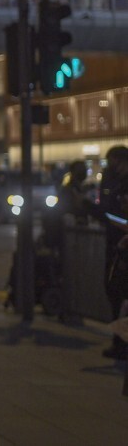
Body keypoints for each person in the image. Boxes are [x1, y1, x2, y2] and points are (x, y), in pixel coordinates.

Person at [98, 145, 128, 359]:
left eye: (114, 163)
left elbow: (117, 217)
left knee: (119, 294)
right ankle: (119, 342)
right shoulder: (114, 182)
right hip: (118, 244)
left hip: (123, 246)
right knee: (116, 294)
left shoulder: (124, 185)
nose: (111, 168)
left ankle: (121, 343)